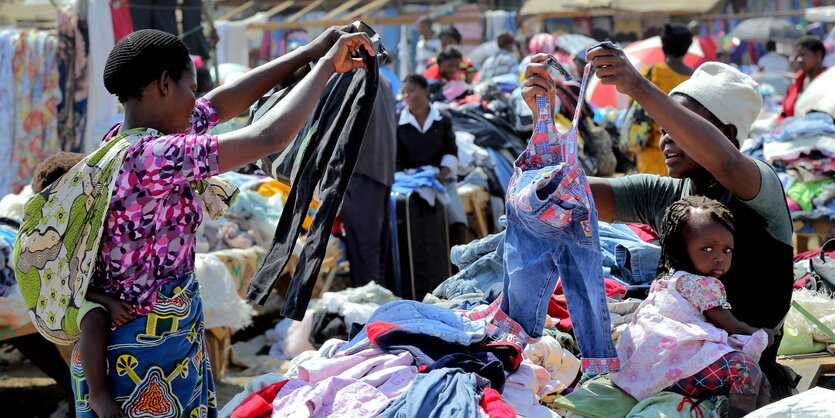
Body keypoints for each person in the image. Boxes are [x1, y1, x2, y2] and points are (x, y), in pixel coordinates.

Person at [30, 28, 374, 418]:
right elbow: (270, 136)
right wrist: (327, 66)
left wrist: (309, 52)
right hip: (142, 362)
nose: (197, 103)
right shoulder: (154, 157)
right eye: (190, 89)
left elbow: (222, 104)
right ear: (163, 85)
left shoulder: (123, 142)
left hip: (152, 348)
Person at [522, 46, 795, 398]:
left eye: (678, 123)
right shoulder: (661, 194)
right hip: (674, 376)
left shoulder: (761, 188)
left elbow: (727, 164)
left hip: (744, 381)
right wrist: (541, 116)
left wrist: (639, 87)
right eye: (663, 125)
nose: (665, 135)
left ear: (726, 134)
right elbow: (560, 192)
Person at [614, 196, 777, 417]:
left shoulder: (667, 281)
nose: (719, 258)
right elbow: (732, 326)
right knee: (745, 371)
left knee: (758, 377)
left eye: (727, 250)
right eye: (707, 249)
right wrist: (762, 333)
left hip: (647, 369)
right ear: (678, 250)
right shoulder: (702, 285)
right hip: (678, 362)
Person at [397, 74, 468, 246]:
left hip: (442, 181)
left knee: (458, 222)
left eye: (411, 91)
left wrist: (442, 175)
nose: (407, 96)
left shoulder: (442, 119)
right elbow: (396, 160)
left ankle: (455, 268)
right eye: (404, 93)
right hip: (412, 183)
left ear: (426, 90)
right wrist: (414, 180)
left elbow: (451, 151)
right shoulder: (398, 122)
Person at [341, 75, 397, 288]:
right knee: (374, 250)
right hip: (380, 172)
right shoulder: (382, 80)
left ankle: (369, 307)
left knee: (364, 252)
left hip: (361, 172)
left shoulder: (353, 78)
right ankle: (376, 301)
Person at [635, 23, 694, 176]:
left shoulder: (652, 72)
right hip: (686, 153)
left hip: (652, 150)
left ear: (663, 45)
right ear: (688, 47)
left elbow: (637, 108)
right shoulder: (695, 78)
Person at [782, 36, 828, 118]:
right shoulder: (796, 82)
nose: (799, 59)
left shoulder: (829, 81)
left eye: (803, 55)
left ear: (818, 55)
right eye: (797, 56)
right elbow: (784, 113)